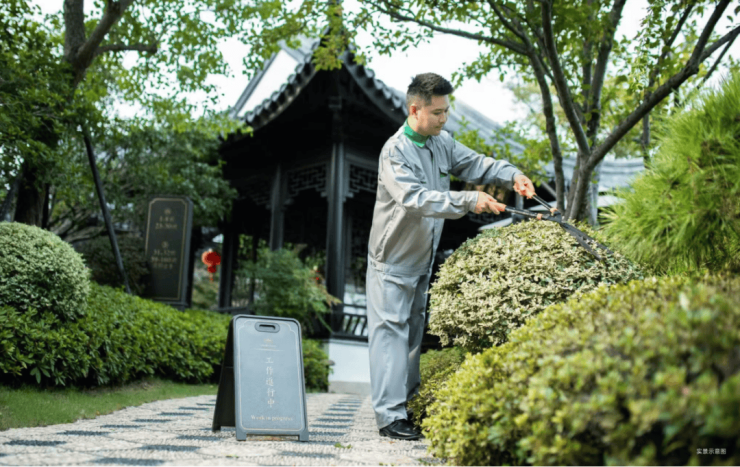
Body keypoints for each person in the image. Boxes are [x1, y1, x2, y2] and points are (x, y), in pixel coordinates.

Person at [365, 73, 535, 440]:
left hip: (422, 260)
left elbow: (478, 164)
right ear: (415, 110)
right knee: (390, 334)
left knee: (412, 336)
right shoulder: (395, 152)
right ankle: (389, 417)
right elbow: (415, 199)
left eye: (446, 111)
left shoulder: (442, 143)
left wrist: (513, 175)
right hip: (390, 260)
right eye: (438, 112)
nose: (445, 119)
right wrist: (469, 199)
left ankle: (407, 408)